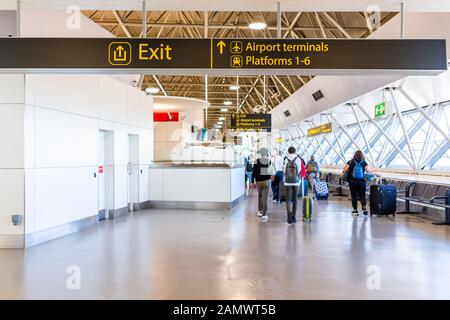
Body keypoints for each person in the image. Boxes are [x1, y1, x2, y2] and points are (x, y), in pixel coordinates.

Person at [342, 150, 375, 217]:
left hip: (352, 182)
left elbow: (344, 169)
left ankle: (355, 210)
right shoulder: (364, 162)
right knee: (362, 196)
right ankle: (364, 208)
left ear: (354, 155)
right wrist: (375, 172)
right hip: (361, 182)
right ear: (362, 156)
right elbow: (368, 171)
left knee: (354, 196)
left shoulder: (350, 162)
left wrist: (350, 170)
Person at [283, 146, 304, 225]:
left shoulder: (285, 160)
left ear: (288, 152)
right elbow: (300, 170)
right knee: (295, 199)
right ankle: (293, 217)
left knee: (288, 199)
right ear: (295, 152)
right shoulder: (298, 159)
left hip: (287, 182)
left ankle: (289, 215)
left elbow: (284, 170)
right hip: (296, 182)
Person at [252, 147, 273, 222]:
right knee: (265, 198)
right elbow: (270, 172)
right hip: (266, 181)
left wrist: (252, 181)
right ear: (266, 153)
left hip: (258, 181)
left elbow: (253, 172)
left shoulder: (256, 161)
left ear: (260, 153)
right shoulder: (268, 161)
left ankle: (259, 211)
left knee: (260, 196)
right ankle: (264, 214)